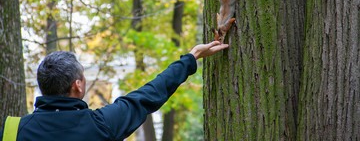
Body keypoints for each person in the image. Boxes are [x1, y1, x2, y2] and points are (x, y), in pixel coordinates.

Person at [0, 41, 228, 141]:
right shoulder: (100, 125)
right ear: (77, 85)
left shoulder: (10, 131)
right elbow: (147, 95)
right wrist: (190, 58)